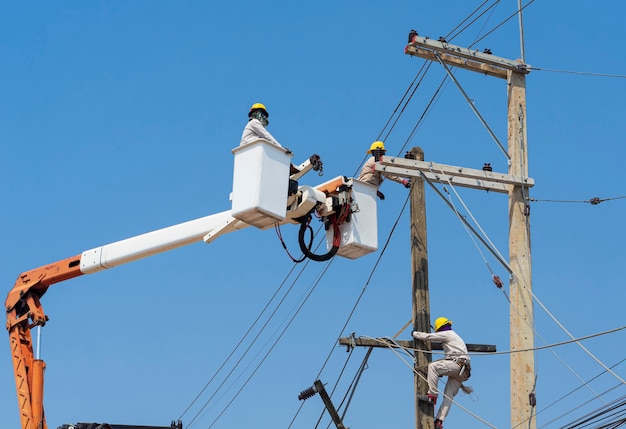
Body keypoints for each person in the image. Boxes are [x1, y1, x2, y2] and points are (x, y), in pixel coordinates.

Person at [412, 317, 473, 429]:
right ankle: (439, 421)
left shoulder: (447, 334)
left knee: (433, 367)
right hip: (463, 371)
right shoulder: (453, 336)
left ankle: (432, 395)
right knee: (448, 396)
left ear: (439, 328)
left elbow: (428, 337)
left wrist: (415, 333)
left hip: (457, 365)